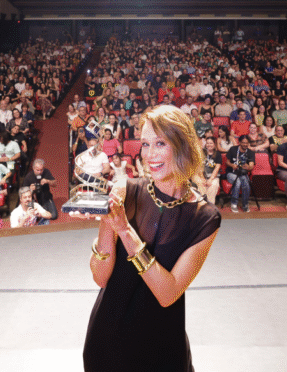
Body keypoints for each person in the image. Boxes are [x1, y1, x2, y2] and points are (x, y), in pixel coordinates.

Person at [81, 104, 220, 372]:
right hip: (107, 341)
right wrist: (106, 223)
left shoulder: (205, 218)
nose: (149, 154)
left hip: (162, 347)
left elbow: (167, 293)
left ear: (183, 146)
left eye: (160, 143)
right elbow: (100, 277)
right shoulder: (125, 190)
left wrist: (124, 231)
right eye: (145, 144)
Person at [226, 135, 255, 213]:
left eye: (247, 143)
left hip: (242, 173)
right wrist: (232, 165)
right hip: (231, 172)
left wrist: (248, 167)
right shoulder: (233, 149)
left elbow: (251, 166)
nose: (245, 144)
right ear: (239, 142)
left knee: (246, 183)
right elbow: (227, 162)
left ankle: (245, 204)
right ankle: (234, 204)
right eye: (243, 143)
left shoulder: (250, 152)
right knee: (237, 182)